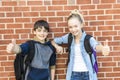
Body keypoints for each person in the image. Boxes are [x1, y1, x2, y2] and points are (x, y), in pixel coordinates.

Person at [51, 9, 110, 80]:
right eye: (70, 27)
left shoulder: (88, 39)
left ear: (81, 25)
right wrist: (57, 46)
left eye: (76, 26)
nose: (73, 29)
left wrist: (103, 49)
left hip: (88, 74)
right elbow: (53, 41)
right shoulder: (69, 37)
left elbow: (96, 46)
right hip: (73, 74)